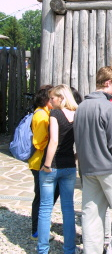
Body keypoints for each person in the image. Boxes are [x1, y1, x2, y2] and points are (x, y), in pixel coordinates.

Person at [74, 66, 112, 254]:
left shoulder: (81, 107)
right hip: (109, 168)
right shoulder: (109, 108)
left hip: (87, 170)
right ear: (107, 83)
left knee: (91, 215)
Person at [37, 84, 78, 254]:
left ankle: (42, 249)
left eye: (53, 97)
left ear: (61, 98)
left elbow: (53, 140)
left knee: (45, 208)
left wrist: (46, 165)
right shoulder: (77, 114)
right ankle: (69, 249)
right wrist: (75, 158)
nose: (50, 100)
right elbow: (81, 142)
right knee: (68, 209)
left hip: (52, 165)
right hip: (69, 165)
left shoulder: (55, 113)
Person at [28, 85, 59, 241]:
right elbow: (39, 143)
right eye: (52, 97)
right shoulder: (41, 116)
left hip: (43, 161)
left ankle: (41, 224)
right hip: (39, 162)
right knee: (40, 197)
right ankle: (36, 230)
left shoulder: (46, 114)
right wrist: (54, 138)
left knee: (47, 195)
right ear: (47, 99)